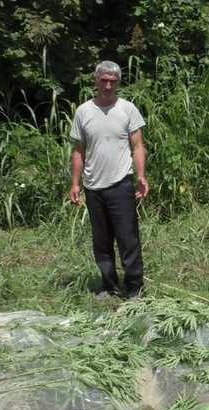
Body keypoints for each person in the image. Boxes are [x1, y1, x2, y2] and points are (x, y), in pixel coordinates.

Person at [69, 60, 148, 300]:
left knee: (128, 238)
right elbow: (78, 151)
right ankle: (109, 286)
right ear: (95, 80)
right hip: (94, 187)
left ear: (118, 83)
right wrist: (75, 183)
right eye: (103, 80)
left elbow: (138, 146)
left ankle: (135, 289)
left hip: (121, 184)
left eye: (113, 81)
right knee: (101, 241)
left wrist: (141, 176)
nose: (107, 85)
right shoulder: (84, 111)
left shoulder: (127, 109)